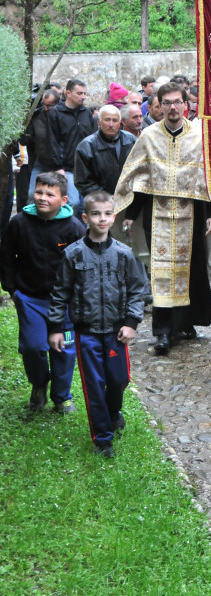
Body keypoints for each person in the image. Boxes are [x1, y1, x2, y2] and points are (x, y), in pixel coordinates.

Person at [115, 82, 211, 356]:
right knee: (161, 270)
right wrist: (130, 214)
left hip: (192, 212)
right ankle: (162, 331)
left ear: (186, 104)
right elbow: (139, 176)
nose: (173, 107)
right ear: (158, 106)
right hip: (157, 212)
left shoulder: (199, 135)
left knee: (191, 269)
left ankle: (184, 323)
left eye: (178, 102)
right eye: (167, 102)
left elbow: (210, 176)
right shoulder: (148, 136)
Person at [47, 191, 147, 458]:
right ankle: (103, 439)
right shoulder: (73, 254)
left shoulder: (124, 254)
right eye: (95, 214)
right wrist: (56, 328)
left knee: (119, 380)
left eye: (106, 213)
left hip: (116, 332)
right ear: (85, 217)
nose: (101, 219)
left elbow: (138, 290)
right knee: (94, 385)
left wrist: (131, 322)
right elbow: (60, 292)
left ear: (113, 217)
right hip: (86, 333)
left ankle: (114, 412)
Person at [0, 172, 85, 413]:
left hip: (64, 302)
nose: (42, 197)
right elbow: (6, 257)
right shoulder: (19, 223)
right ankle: (39, 383)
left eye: (50, 194)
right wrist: (13, 290)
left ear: (64, 200)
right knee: (33, 347)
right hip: (30, 298)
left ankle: (62, 397)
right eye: (39, 192)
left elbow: (83, 266)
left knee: (64, 352)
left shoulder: (74, 228)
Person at [47, 79, 97, 215]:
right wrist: (58, 167)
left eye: (85, 93)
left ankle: (80, 234)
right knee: (72, 203)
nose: (83, 97)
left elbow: (93, 138)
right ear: (68, 93)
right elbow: (52, 141)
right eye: (79, 93)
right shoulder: (56, 113)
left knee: (85, 205)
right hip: (67, 167)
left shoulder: (86, 112)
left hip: (86, 167)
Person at [74, 105, 137, 197]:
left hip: (129, 198)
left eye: (114, 120)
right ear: (99, 122)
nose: (111, 125)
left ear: (119, 123)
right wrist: (105, 196)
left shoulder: (131, 140)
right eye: (107, 120)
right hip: (100, 202)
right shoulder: (87, 146)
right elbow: (83, 181)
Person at [21, 87, 61, 197]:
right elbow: (26, 140)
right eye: (44, 104)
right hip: (41, 160)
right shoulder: (37, 117)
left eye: (49, 106)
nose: (46, 108)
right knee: (32, 195)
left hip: (61, 162)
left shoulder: (62, 117)